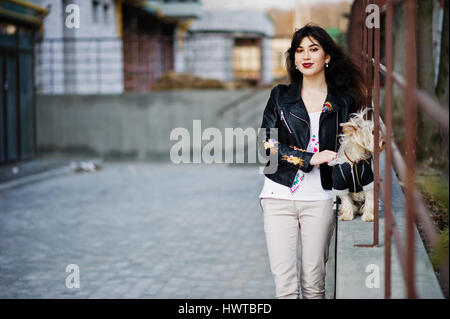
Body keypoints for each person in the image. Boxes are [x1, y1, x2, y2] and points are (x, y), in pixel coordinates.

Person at [259, 23, 366, 299]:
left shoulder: (344, 101)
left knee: (314, 287)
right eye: (299, 50)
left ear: (327, 57)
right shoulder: (280, 96)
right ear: (294, 58)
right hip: (277, 195)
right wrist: (309, 158)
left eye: (314, 49)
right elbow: (267, 147)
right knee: (284, 289)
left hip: (321, 197)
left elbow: (361, 143)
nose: (306, 55)